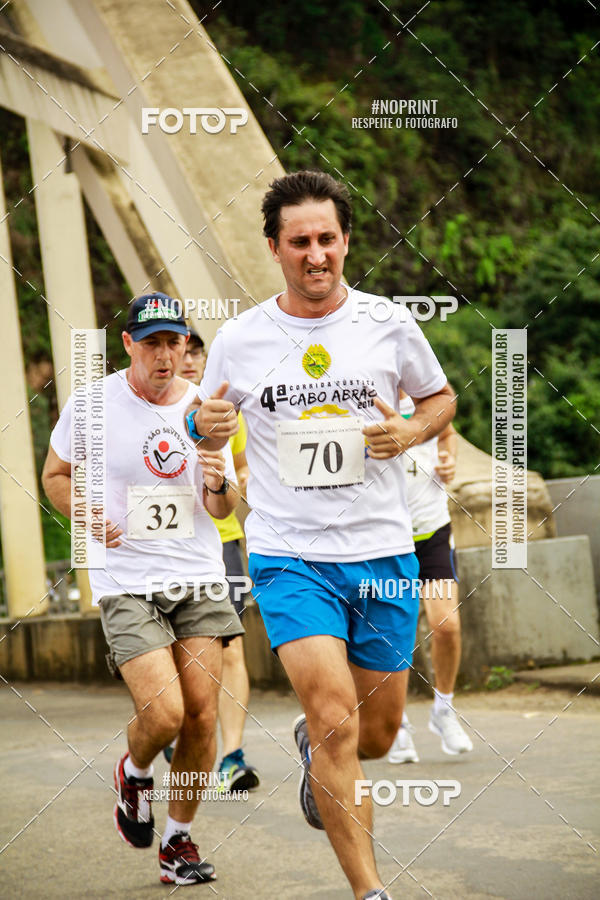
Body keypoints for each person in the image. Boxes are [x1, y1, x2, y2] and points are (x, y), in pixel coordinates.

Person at [186, 171, 457, 900]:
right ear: (274, 248)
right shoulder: (241, 339)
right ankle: (371, 890)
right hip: (289, 557)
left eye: (327, 239)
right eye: (299, 241)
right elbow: (202, 431)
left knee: (374, 733)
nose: (315, 254)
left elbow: (440, 398)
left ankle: (319, 751)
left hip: (382, 554)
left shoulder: (387, 323)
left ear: (346, 242)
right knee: (338, 721)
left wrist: (408, 432)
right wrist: (204, 433)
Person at [42, 294, 244, 886]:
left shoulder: (206, 411)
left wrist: (216, 482)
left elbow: (225, 503)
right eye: (151, 342)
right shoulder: (93, 405)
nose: (163, 355)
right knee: (165, 714)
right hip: (127, 580)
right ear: (128, 344)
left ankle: (177, 841)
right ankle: (133, 770)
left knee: (203, 718)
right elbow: (56, 474)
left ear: (186, 346)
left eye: (173, 342)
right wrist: (81, 511)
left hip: (198, 575)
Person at [166, 326, 260, 792]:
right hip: (162, 546)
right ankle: (175, 727)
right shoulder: (149, 410)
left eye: (195, 355)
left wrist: (231, 486)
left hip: (221, 540)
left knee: (233, 646)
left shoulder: (228, 415)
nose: (187, 362)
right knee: (170, 652)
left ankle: (232, 757)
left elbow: (242, 471)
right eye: (180, 353)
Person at [387, 392, 473, 764]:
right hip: (386, 537)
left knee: (447, 626)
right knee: (393, 634)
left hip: (433, 529)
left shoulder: (429, 386)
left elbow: (448, 433)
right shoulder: (363, 379)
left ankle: (443, 710)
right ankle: (397, 725)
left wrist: (448, 458)